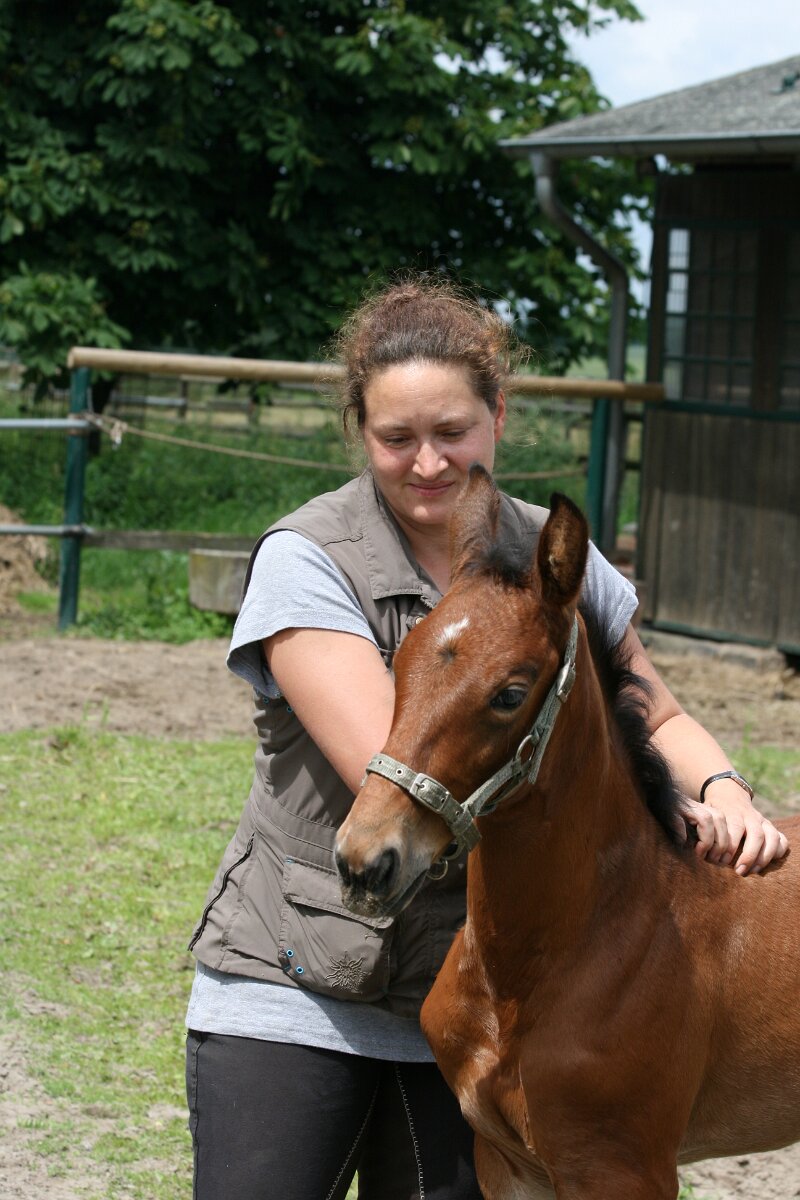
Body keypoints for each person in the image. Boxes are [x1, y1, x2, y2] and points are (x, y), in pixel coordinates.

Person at [185, 278, 789, 1200]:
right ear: (360, 434)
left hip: (494, 989)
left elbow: (659, 715)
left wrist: (725, 794)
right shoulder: (309, 558)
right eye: (397, 438)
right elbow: (398, 771)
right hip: (306, 976)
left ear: (497, 419)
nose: (428, 462)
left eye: (453, 432)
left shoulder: (559, 562)